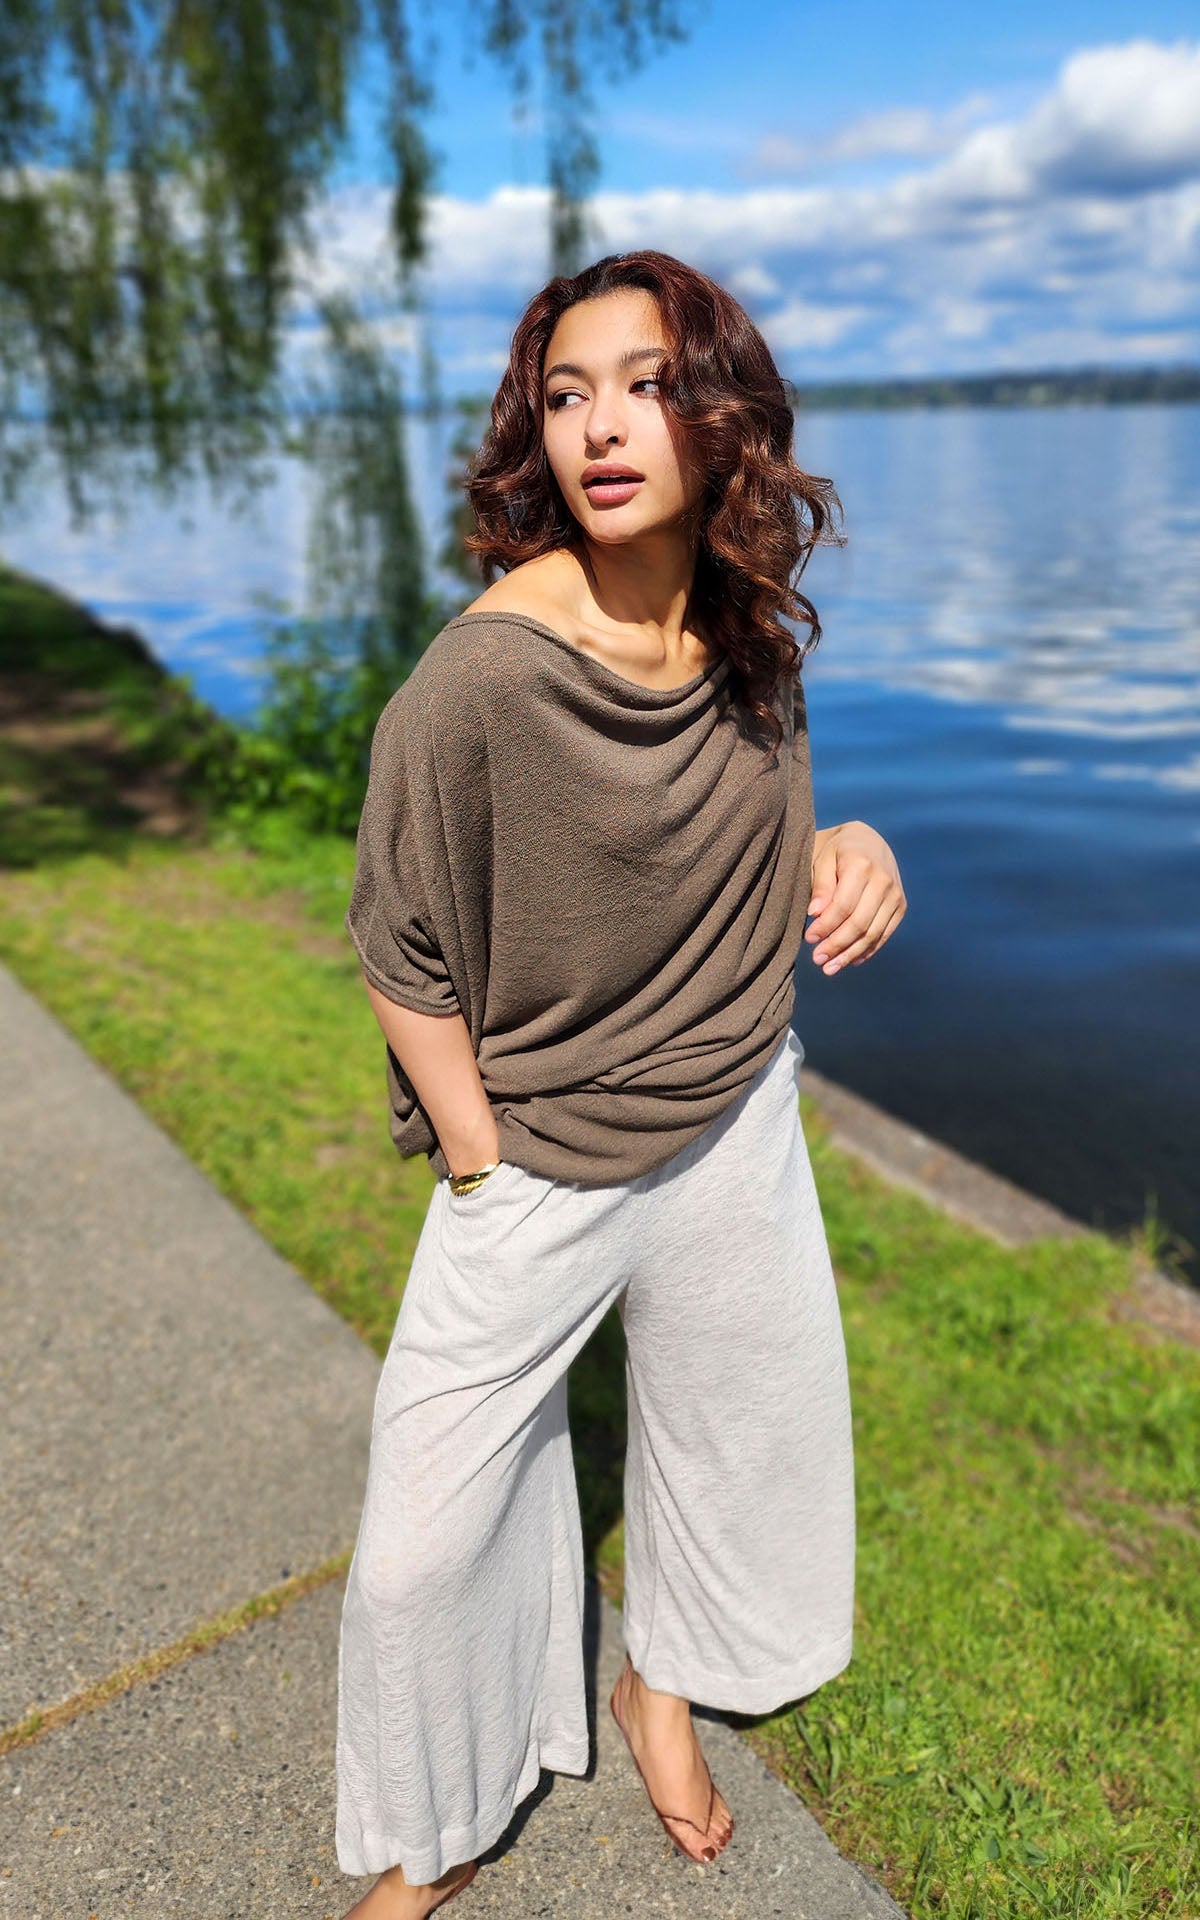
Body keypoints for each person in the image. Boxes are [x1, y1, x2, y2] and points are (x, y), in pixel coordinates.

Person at [334, 248, 907, 1919]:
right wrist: (476, 1156)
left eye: (645, 387)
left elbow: (750, 837)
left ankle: (662, 1685)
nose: (599, 427)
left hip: (734, 1116)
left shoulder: (747, 628)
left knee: (747, 1445)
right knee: (421, 1546)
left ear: (720, 418)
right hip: (537, 1157)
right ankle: (430, 1839)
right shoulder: (480, 680)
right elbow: (397, 947)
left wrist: (852, 841)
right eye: (567, 394)